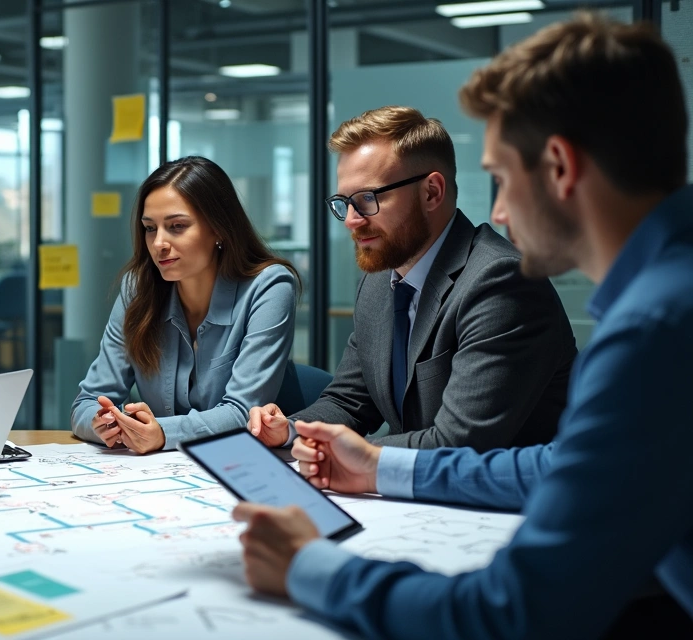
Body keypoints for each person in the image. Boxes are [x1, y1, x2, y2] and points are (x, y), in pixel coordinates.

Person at [233, 13, 693, 639]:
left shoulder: (653, 327)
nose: (499, 210)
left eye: (502, 178)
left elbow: (514, 611)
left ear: (559, 167)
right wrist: (373, 464)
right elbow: (554, 466)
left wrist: (311, 567)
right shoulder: (664, 293)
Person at [246, 106, 576, 452]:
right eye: (345, 202)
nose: (351, 221)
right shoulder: (379, 280)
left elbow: (458, 442)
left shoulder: (501, 282)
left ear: (431, 192)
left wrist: (354, 455)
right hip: (420, 496)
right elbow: (350, 401)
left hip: (509, 500)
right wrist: (290, 431)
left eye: (368, 199)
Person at [71, 156, 298, 454]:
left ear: (219, 228)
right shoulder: (136, 288)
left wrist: (162, 434)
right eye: (150, 228)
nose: (158, 243)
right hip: (161, 475)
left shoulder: (270, 287)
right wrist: (106, 424)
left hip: (243, 465)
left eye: (177, 226)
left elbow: (244, 412)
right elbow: (85, 404)